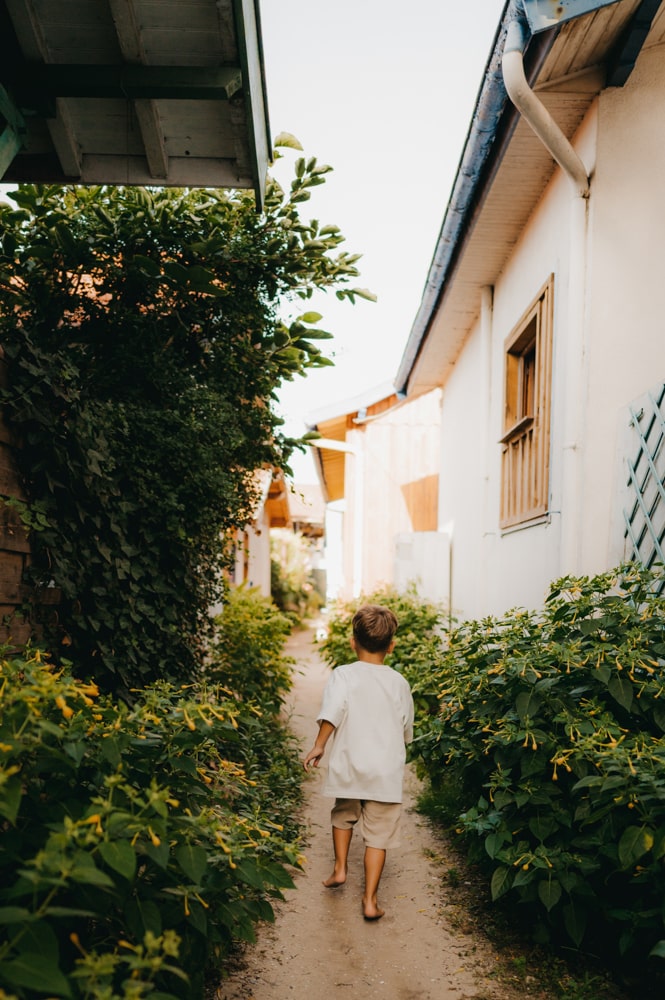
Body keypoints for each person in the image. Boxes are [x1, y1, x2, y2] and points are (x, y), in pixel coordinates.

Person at [303, 604, 415, 921]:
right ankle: (369, 900)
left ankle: (340, 868)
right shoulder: (399, 682)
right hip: (384, 773)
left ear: (353, 642)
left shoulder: (344, 675)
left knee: (343, 814)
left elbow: (333, 712)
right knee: (378, 836)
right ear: (391, 646)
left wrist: (318, 745)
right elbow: (407, 727)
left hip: (350, 765)